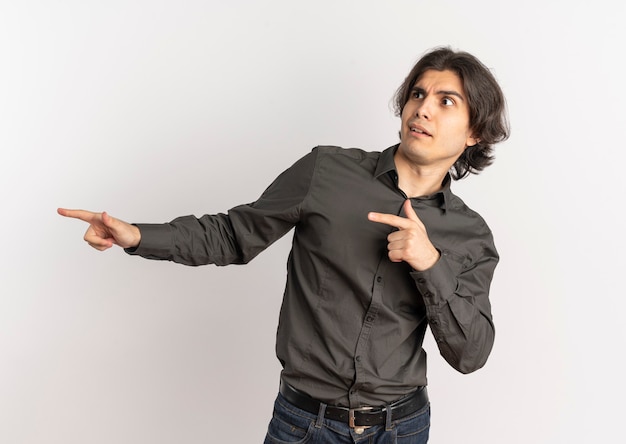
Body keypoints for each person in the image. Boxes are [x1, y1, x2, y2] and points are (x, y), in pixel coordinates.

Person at [58, 46, 509, 443]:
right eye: (417, 94)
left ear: (475, 133)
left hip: (403, 428)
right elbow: (234, 234)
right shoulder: (326, 172)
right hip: (305, 424)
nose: (423, 109)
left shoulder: (470, 235)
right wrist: (138, 236)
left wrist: (429, 262)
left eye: (446, 101)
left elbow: (471, 354)